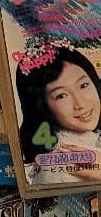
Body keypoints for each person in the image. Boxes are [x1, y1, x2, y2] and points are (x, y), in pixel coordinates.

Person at [16, 43, 101, 184]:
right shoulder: (60, 170)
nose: (80, 104)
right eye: (61, 96)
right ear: (43, 106)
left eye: (83, 85)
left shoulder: (91, 139)